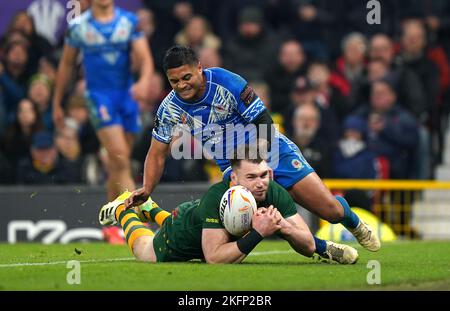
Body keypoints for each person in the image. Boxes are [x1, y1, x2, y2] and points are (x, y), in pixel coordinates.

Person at [125, 45, 380, 257]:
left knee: (330, 211)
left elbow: (265, 124)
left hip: (272, 150)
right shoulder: (169, 108)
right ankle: (322, 248)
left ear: (199, 68)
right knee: (256, 216)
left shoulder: (228, 83)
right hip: (233, 169)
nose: (181, 85)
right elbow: (157, 152)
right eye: (174, 81)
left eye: (186, 77)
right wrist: (147, 189)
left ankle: (353, 223)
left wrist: (256, 162)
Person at [99, 146, 358, 264]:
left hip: (198, 221)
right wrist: (259, 233)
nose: (260, 184)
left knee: (172, 221)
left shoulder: (273, 191)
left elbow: (308, 245)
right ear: (233, 179)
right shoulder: (217, 195)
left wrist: (283, 228)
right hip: (181, 235)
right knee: (144, 250)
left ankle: (151, 208)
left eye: (264, 175)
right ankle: (124, 210)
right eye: (251, 177)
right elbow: (213, 257)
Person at [52, 0, 154, 242]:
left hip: (126, 98)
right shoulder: (78, 27)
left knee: (118, 163)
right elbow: (66, 65)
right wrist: (56, 102)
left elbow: (145, 58)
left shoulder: (128, 22)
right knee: (120, 157)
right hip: (99, 97)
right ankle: (138, 227)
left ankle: (110, 226)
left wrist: (144, 80)